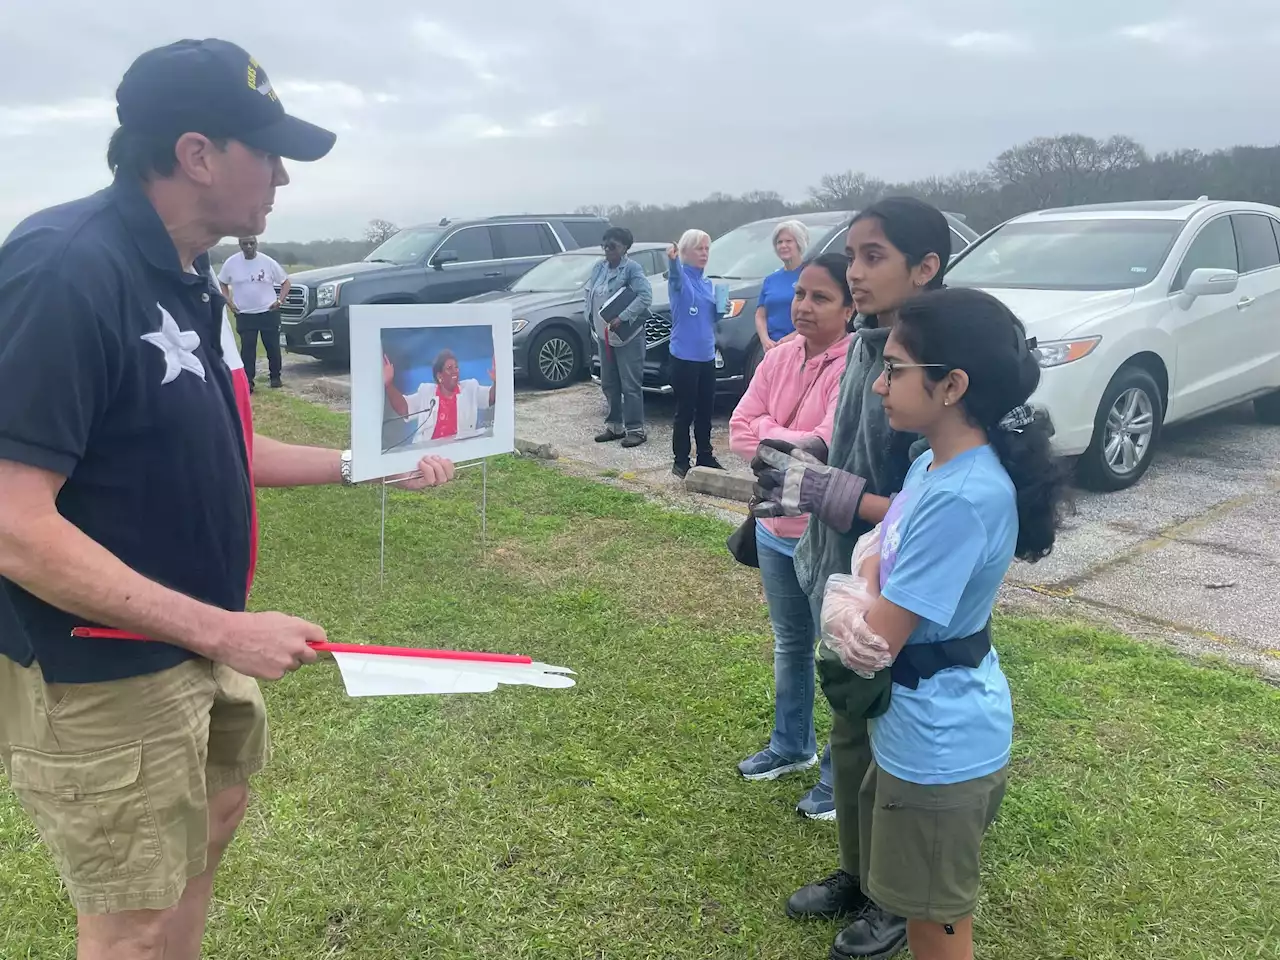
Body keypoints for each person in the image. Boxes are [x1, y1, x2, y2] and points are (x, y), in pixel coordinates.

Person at [0, 38, 455, 960]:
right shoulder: (65, 270)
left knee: (211, 824)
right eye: (268, 150)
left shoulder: (189, 273)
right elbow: (14, 524)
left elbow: (229, 446)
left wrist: (363, 464)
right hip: (103, 664)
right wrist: (221, 631)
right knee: (130, 920)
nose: (283, 175)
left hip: (190, 638)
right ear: (198, 154)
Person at [821, 286, 1066, 959]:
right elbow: (885, 544)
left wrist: (856, 586)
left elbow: (872, 640)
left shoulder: (963, 496)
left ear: (952, 385)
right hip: (915, 728)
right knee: (920, 909)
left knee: (936, 927)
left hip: (940, 744)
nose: (880, 386)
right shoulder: (932, 463)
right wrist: (870, 574)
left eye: (896, 369)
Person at [750, 197, 954, 960]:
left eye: (874, 257)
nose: (855, 272)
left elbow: (938, 496)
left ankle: (900, 903)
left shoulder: (939, 355)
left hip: (899, 594)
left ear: (925, 267)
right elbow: (850, 440)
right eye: (854, 255)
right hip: (839, 575)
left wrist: (835, 493)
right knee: (851, 737)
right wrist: (803, 456)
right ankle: (858, 874)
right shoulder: (873, 342)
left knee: (897, 749)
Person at [729, 253, 852, 818]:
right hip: (774, 527)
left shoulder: (858, 365)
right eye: (800, 294)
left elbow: (825, 445)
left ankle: (836, 775)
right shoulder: (777, 357)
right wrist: (787, 439)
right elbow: (737, 429)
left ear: (850, 308)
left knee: (839, 654)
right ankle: (791, 745)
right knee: (790, 644)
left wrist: (772, 437)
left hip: (824, 534)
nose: (803, 306)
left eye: (820, 297)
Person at [586, 226, 654, 448]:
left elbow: (645, 296)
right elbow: (590, 293)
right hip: (604, 336)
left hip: (627, 335)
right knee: (609, 382)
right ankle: (615, 426)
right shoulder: (599, 268)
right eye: (604, 245)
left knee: (630, 384)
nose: (607, 250)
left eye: (612, 246)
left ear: (625, 248)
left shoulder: (632, 269)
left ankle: (636, 429)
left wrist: (623, 317)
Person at [667, 229, 725, 478]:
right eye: (699, 248)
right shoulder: (681, 280)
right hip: (684, 357)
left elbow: (708, 318)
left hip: (706, 355)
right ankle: (681, 460)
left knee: (705, 409)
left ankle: (705, 454)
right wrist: (672, 260)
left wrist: (721, 310)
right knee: (685, 410)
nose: (704, 253)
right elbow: (675, 277)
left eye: (706, 249)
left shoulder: (707, 283)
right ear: (685, 252)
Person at [218, 236, 289, 391]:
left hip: (268, 312)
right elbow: (222, 282)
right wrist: (229, 302)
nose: (249, 246)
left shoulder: (267, 262)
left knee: (272, 347)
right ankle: (248, 381)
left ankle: (275, 377)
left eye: (252, 243)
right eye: (245, 244)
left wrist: (280, 300)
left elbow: (285, 282)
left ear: (257, 244)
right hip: (245, 313)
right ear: (240, 245)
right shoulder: (231, 263)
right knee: (247, 348)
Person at [383, 349, 497, 444]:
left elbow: (491, 397)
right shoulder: (426, 392)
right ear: (439, 376)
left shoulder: (470, 388)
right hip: (428, 454)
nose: (455, 371)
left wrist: (497, 381)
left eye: (456, 367)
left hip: (459, 452)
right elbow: (404, 409)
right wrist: (388, 384)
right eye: (449, 368)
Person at [754, 219, 810, 352]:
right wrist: (765, 340)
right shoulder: (770, 280)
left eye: (788, 241)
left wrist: (793, 337)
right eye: (779, 242)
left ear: (799, 244)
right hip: (773, 348)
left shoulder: (810, 275)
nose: (783, 245)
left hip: (801, 346)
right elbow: (760, 315)